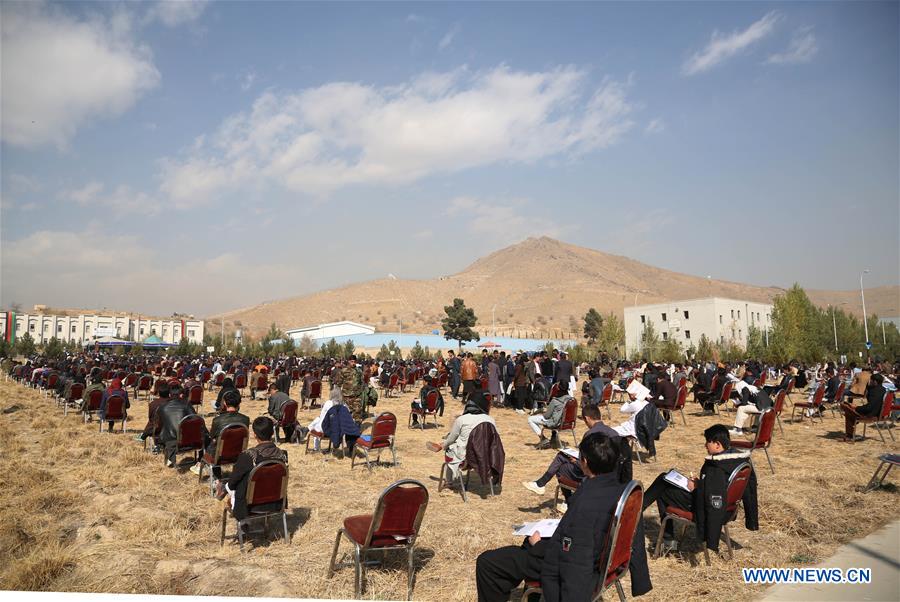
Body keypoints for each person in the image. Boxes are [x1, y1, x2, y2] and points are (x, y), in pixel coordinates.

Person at [475, 432, 652, 602]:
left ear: (584, 462)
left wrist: (538, 546)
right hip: (603, 560)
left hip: (573, 563)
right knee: (524, 548)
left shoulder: (586, 501)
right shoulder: (624, 491)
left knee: (488, 563)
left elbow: (574, 560)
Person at [640, 424, 758, 554]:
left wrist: (696, 487)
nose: (705, 445)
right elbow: (721, 488)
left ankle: (644, 514)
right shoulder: (739, 461)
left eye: (708, 442)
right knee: (665, 478)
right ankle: (648, 515)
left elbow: (712, 498)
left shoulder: (715, 467)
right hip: (728, 509)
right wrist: (701, 483)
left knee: (663, 487)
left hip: (706, 509)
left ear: (717, 445)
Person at [522, 405, 632, 512]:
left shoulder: (591, 434)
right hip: (613, 474)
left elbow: (587, 464)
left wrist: (577, 461)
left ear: (587, 418)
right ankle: (546, 488)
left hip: (594, 474)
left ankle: (564, 498)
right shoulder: (614, 433)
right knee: (563, 461)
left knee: (562, 462)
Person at [215, 417, 288, 520]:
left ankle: (244, 524)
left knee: (237, 482)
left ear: (254, 435)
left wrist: (226, 487)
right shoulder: (282, 455)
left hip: (249, 506)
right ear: (272, 433)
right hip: (276, 502)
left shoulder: (248, 456)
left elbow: (233, 483)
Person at [431, 393, 495, 480]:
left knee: (449, 447)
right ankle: (441, 444)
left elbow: (451, 439)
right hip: (485, 457)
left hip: (465, 459)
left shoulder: (462, 419)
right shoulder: (490, 420)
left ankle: (448, 481)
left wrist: (444, 446)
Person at [191, 389, 250, 477]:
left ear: (225, 403)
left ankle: (217, 478)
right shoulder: (245, 419)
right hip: (238, 453)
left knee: (212, 445)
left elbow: (212, 437)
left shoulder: (218, 420)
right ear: (239, 403)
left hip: (219, 456)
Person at [157, 386, 206, 468]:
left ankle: (170, 460)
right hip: (187, 440)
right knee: (205, 436)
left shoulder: (162, 407)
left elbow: (159, 425)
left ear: (169, 395)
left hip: (170, 441)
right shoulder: (186, 405)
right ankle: (200, 460)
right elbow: (196, 421)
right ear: (181, 395)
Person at [840, 373, 886, 442]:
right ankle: (850, 431)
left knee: (845, 407)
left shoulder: (874, 392)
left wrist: (856, 408)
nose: (869, 382)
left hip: (870, 414)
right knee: (848, 409)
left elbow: (869, 408)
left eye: (871, 380)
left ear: (875, 382)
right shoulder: (882, 389)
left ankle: (849, 436)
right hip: (877, 412)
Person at [339, 355, 364, 422]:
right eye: (351, 361)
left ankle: (357, 428)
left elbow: (362, 382)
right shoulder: (344, 370)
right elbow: (339, 383)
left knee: (357, 411)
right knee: (348, 412)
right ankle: (348, 427)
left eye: (354, 361)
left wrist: (360, 391)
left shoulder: (359, 371)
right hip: (346, 395)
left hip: (357, 395)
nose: (353, 363)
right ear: (348, 361)